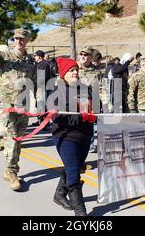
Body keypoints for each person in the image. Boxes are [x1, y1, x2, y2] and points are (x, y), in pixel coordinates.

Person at [0, 25, 36, 191]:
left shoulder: (29, 60)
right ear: (14, 40)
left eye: (22, 38)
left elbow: (33, 81)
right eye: (16, 38)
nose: (19, 41)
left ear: (27, 41)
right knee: (11, 138)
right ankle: (11, 172)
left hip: (23, 105)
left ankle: (11, 169)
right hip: (7, 105)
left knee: (19, 140)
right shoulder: (5, 56)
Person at [51, 57, 96, 216]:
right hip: (65, 135)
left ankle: (59, 194)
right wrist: (81, 117)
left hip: (85, 135)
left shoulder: (86, 88)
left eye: (76, 69)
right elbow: (57, 118)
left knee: (74, 167)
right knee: (73, 173)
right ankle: (80, 212)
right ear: (64, 74)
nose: (75, 72)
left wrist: (96, 114)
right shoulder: (57, 92)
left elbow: (96, 108)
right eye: (71, 70)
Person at [34, 50, 54, 129]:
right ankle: (40, 120)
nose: (34, 57)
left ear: (39, 56)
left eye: (35, 56)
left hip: (43, 88)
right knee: (39, 105)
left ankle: (45, 123)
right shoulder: (39, 64)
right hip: (41, 88)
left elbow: (41, 78)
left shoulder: (43, 64)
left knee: (42, 106)